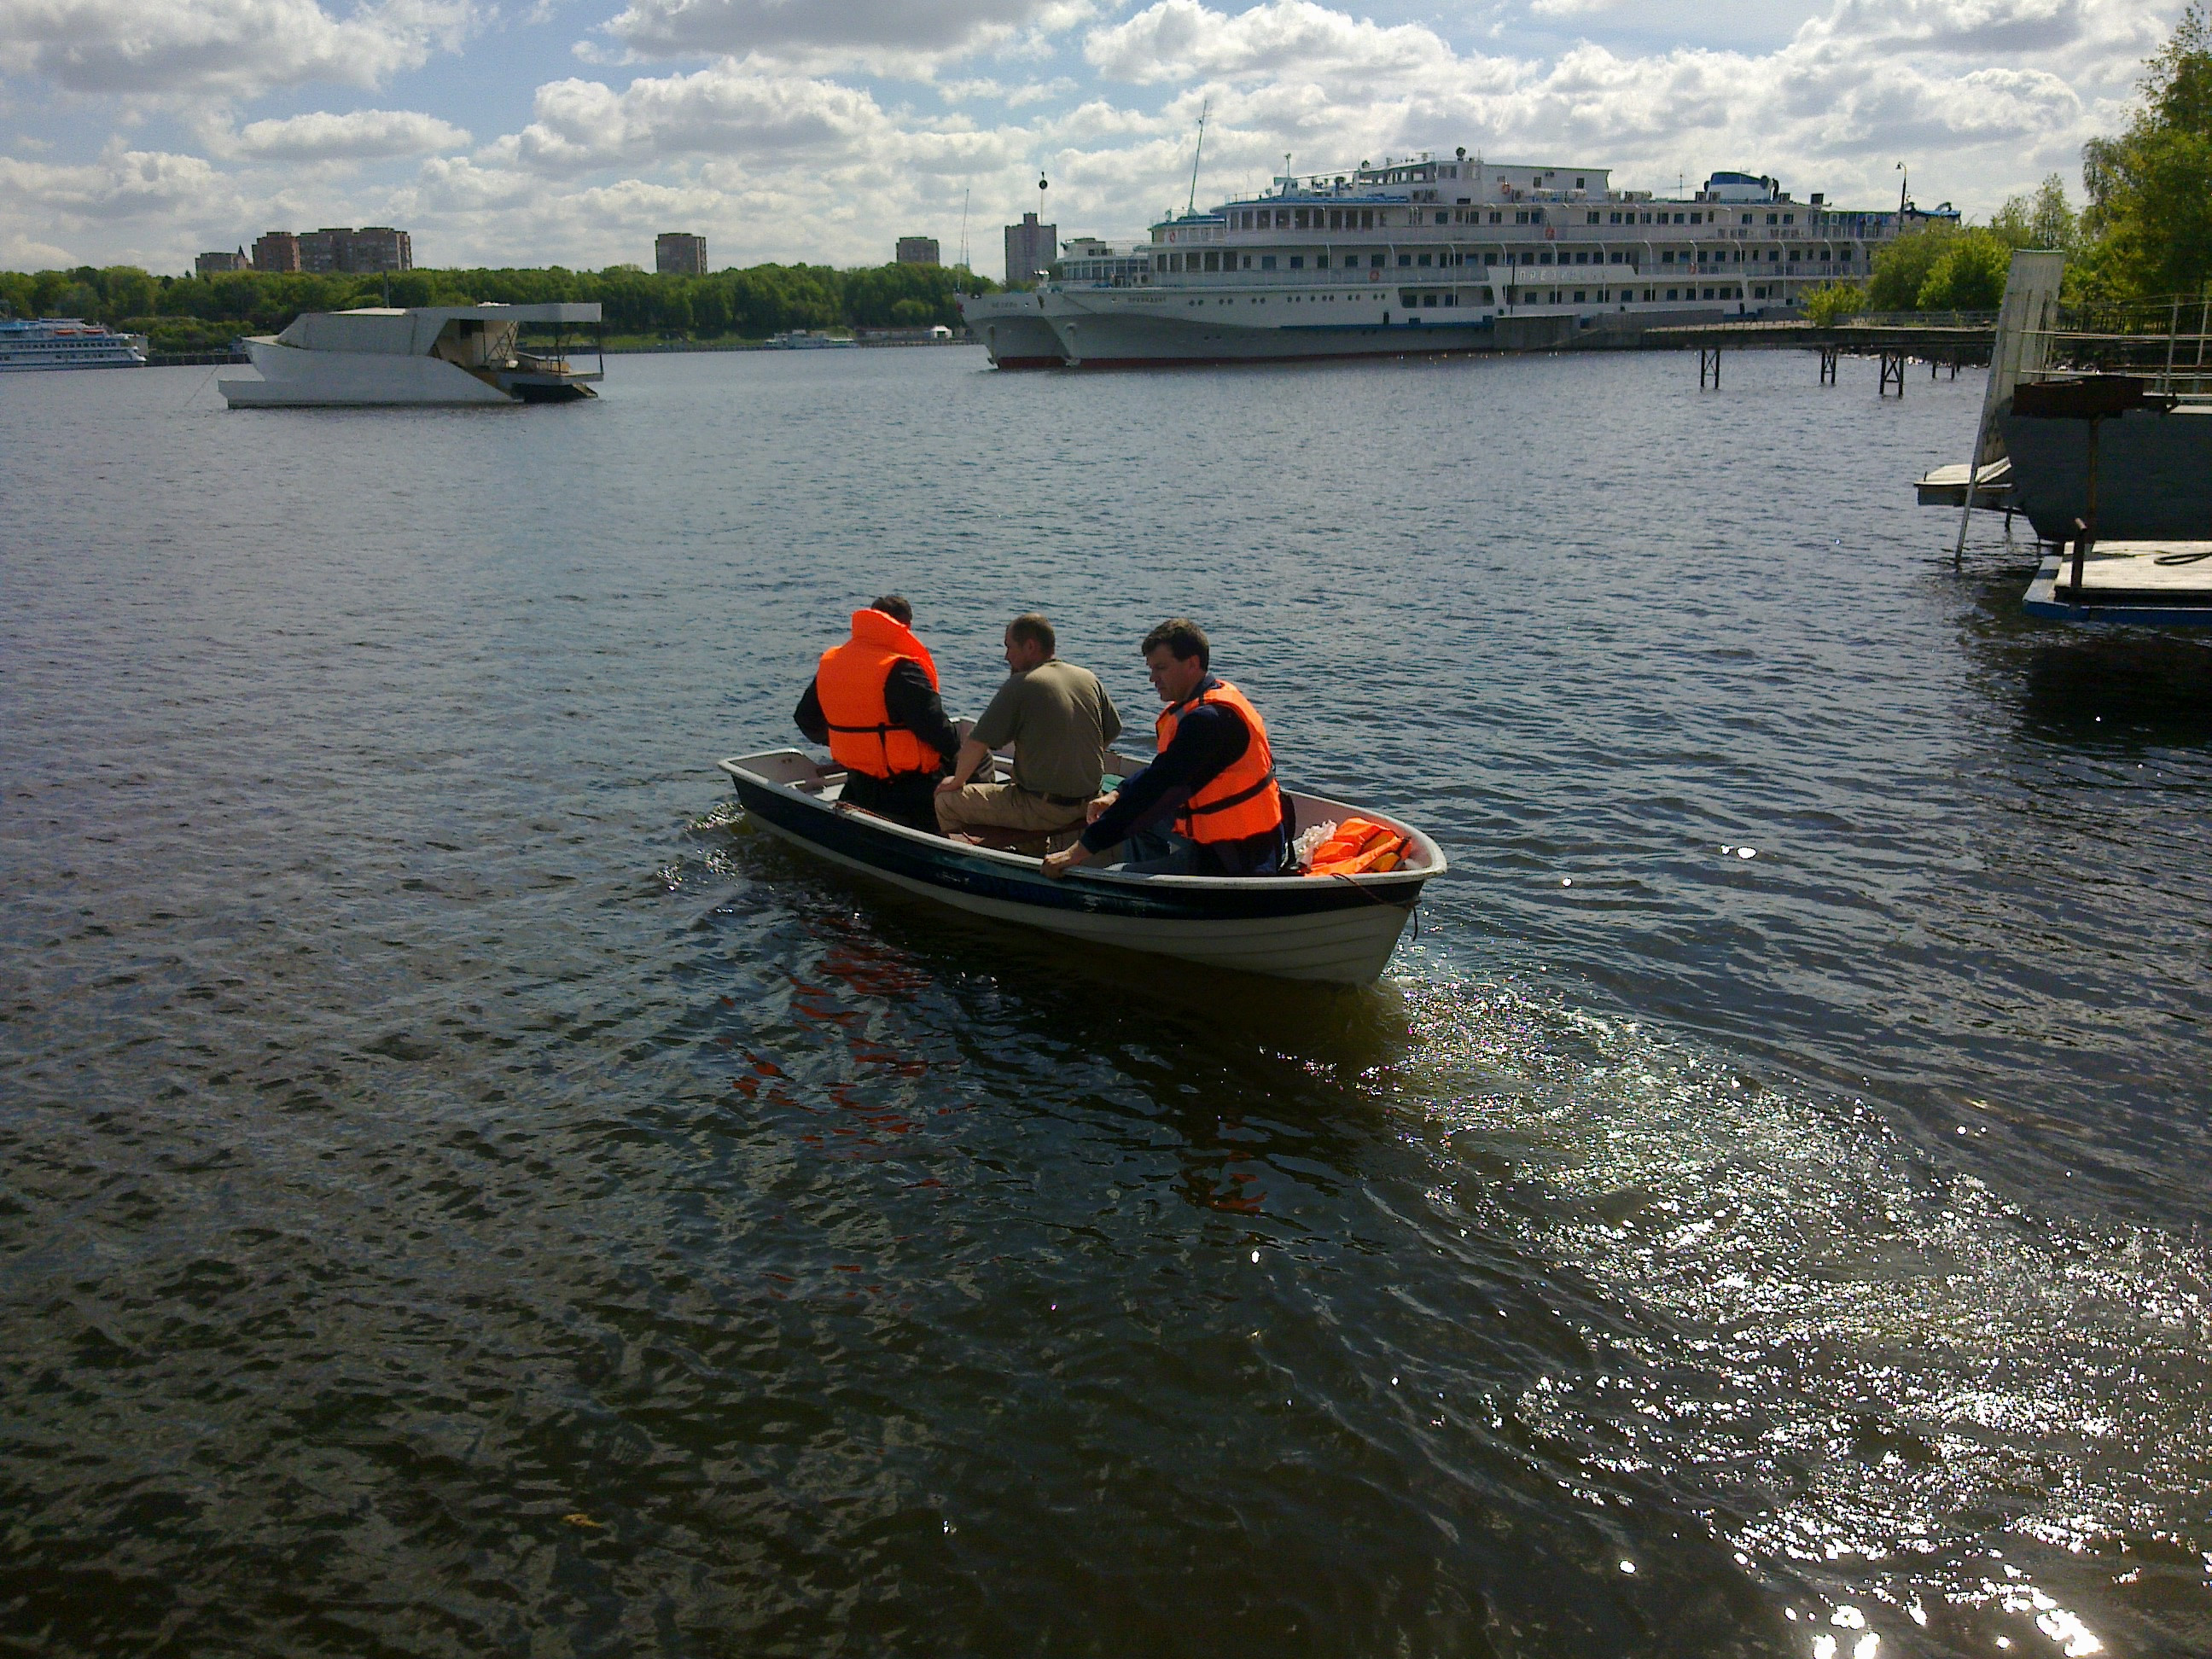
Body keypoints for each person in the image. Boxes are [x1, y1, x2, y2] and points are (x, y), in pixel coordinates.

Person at [1041, 618, 1288, 880]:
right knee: (1138, 820)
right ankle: (1153, 877)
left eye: (1161, 668)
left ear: (1192, 664)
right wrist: (1118, 794)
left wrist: (1078, 852)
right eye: (1151, 669)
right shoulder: (1209, 698)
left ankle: (1146, 885)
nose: (1152, 678)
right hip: (1236, 836)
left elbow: (1157, 791)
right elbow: (1162, 773)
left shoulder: (1209, 720)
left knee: (1116, 875)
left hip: (1236, 856)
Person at [934, 613, 1121, 841]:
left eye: (1010, 647)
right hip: (1089, 802)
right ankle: (1031, 853)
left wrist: (955, 782)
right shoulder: (1087, 678)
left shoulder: (1022, 683)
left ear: (1030, 646)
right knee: (1022, 788)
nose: (1006, 657)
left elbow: (977, 742)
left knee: (946, 801)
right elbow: (1111, 731)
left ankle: (960, 866)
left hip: (1043, 809)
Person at [795, 596, 959, 834]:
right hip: (914, 791)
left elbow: (806, 718)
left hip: (860, 785)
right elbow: (941, 733)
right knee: (978, 755)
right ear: (906, 627)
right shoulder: (901, 669)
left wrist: (851, 742)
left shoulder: (834, 661)